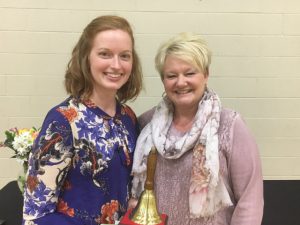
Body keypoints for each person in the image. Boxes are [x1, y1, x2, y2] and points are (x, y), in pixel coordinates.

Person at [129, 33, 264, 225]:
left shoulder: (230, 125)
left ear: (206, 74)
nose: (181, 82)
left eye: (190, 73)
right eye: (171, 75)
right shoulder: (146, 125)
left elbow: (250, 201)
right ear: (163, 80)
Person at [22, 15, 143, 225]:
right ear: (86, 57)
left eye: (125, 56)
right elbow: (35, 214)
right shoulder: (63, 121)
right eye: (105, 54)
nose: (116, 65)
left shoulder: (128, 118)